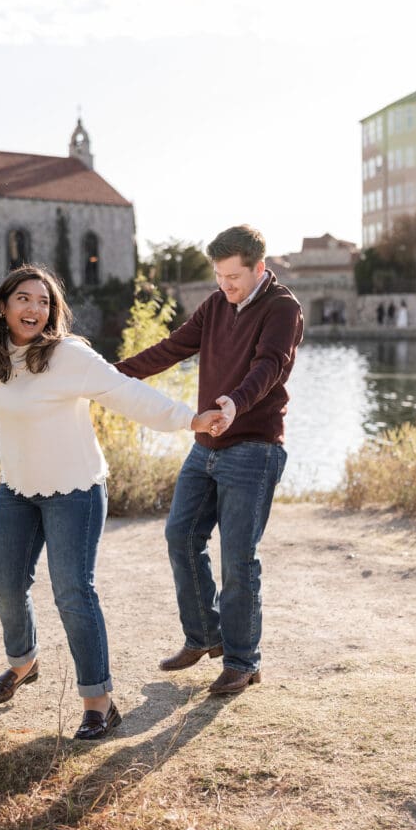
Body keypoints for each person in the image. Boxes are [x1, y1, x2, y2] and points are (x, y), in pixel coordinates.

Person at [0, 265, 224, 740]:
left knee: (73, 593)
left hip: (73, 491)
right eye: (24, 299)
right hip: (17, 489)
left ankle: (99, 702)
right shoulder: (0, 355)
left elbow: (126, 393)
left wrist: (189, 420)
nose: (35, 308)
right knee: (5, 583)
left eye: (44, 301)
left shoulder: (69, 356)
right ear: (4, 307)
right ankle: (24, 662)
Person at [115, 225, 304, 696]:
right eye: (219, 276)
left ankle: (243, 662)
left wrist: (235, 404)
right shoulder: (217, 304)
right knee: (181, 534)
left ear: (260, 267)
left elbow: (271, 364)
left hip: (255, 447)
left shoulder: (284, 308)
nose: (226, 285)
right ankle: (204, 635)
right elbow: (172, 348)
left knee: (238, 560)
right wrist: (108, 376)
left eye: (234, 276)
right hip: (207, 447)